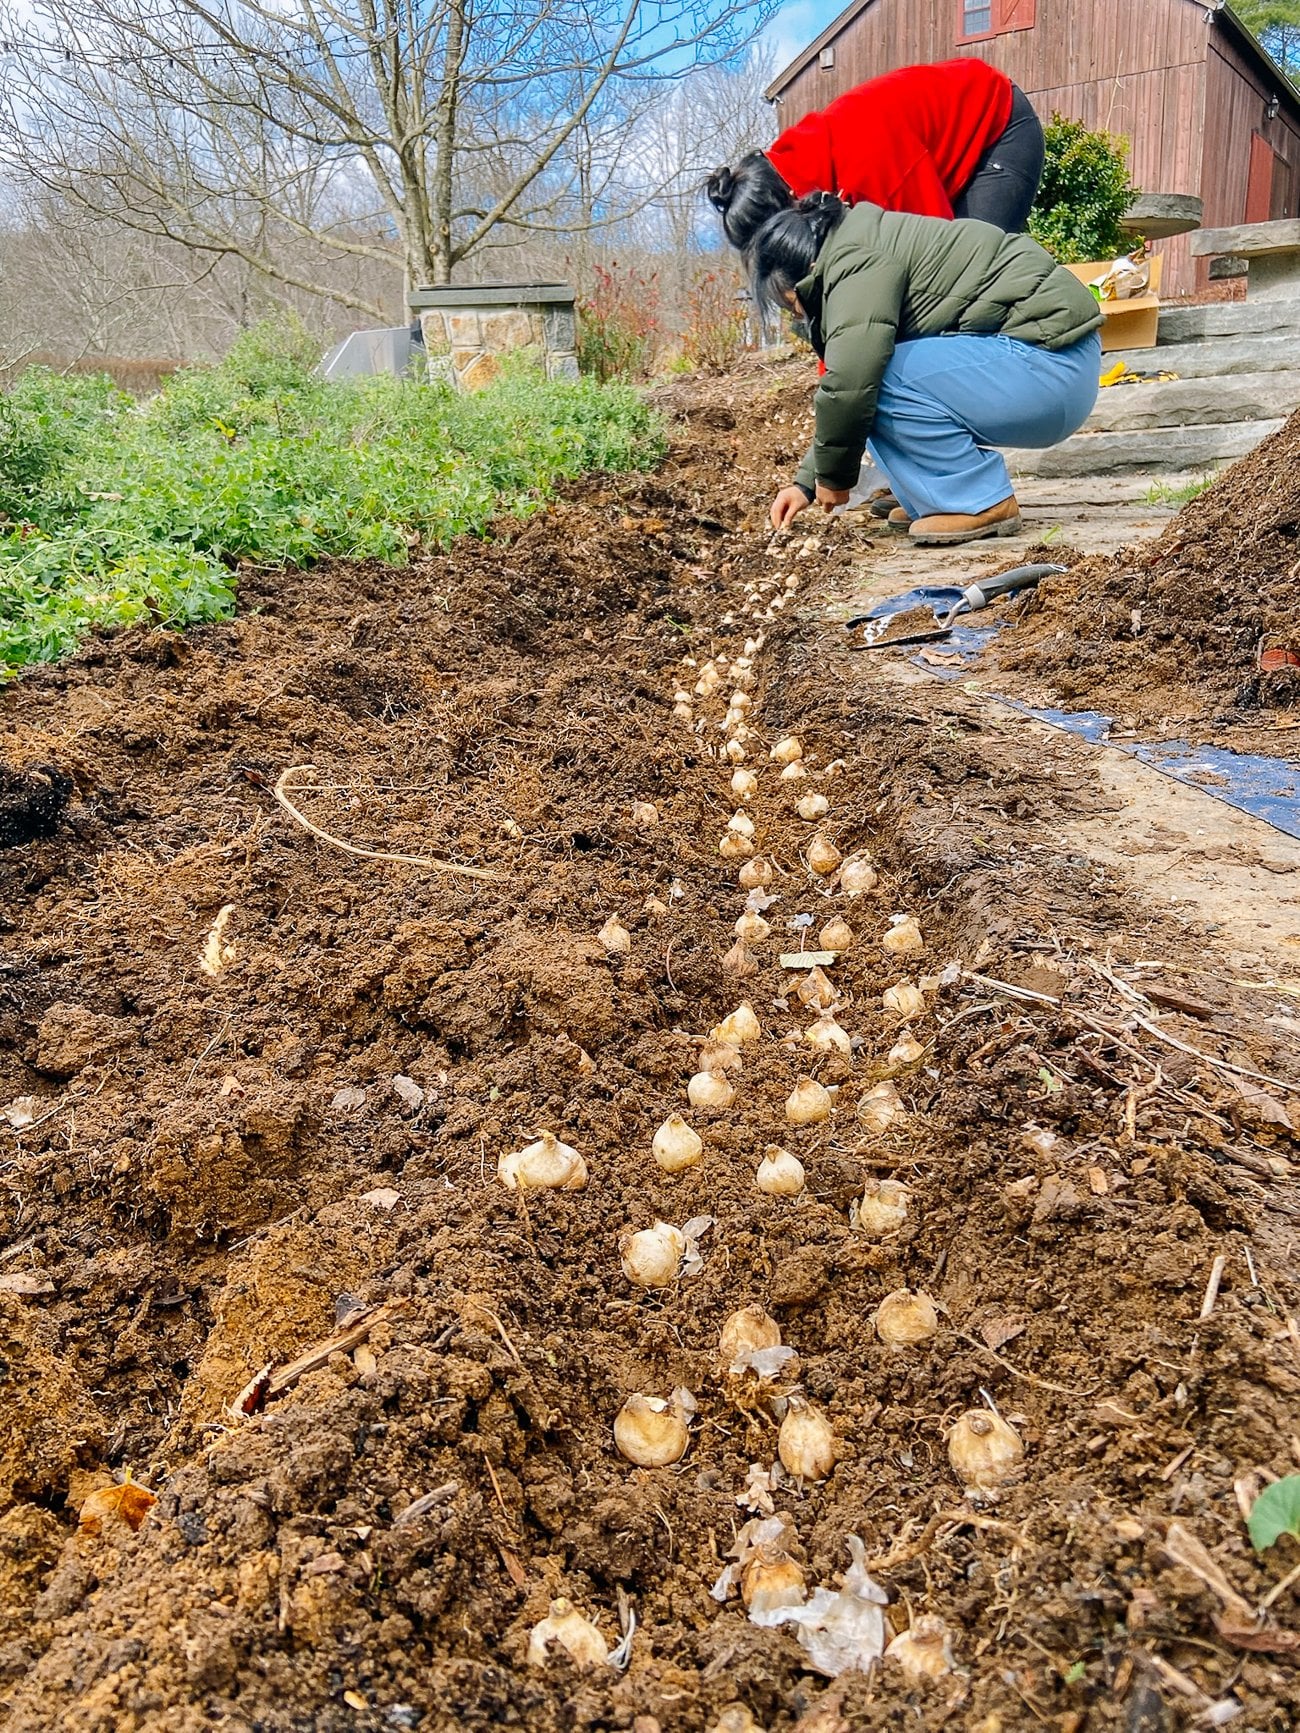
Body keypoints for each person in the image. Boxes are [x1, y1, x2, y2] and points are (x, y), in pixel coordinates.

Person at [757, 193, 1102, 546]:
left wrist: (831, 479)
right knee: (874, 377)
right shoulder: (855, 242)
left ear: (807, 270)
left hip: (1050, 367)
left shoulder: (855, 262)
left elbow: (853, 383)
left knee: (878, 378)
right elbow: (848, 387)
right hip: (1052, 366)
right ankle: (936, 497)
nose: (797, 315)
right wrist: (804, 484)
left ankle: (977, 502)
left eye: (791, 302)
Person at [707, 59, 1045, 255]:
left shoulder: (869, 165)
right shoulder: (802, 167)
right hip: (939, 149)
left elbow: (937, 254)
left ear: (789, 205)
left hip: (1000, 126)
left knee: (967, 276)